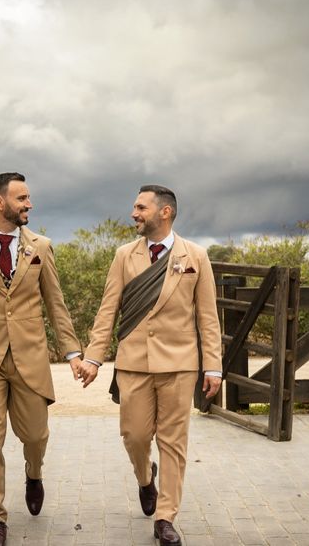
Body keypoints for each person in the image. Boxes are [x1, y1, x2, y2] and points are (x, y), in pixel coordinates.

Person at [79, 184, 223, 546]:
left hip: (179, 364)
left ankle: (165, 517)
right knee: (136, 436)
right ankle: (146, 478)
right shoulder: (124, 255)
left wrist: (214, 367)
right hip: (134, 364)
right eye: (134, 206)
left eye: (141, 207)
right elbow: (108, 309)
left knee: (173, 442)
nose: (133, 213)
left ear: (165, 212)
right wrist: (94, 357)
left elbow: (208, 317)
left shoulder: (196, 256)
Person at [0, 172, 85, 546]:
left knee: (36, 434)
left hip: (31, 357)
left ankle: (34, 473)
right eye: (22, 198)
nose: (29, 204)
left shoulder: (41, 246)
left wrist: (72, 352)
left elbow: (56, 303)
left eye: (28, 198)